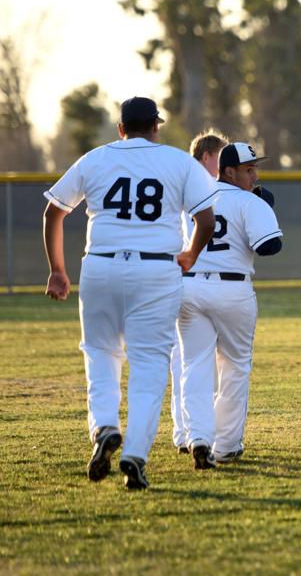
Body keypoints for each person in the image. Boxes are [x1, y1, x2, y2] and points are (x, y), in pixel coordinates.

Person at [42, 96, 217, 490]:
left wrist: (57, 270)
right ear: (156, 126)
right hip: (156, 267)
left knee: (101, 353)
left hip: (101, 264)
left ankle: (104, 425)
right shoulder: (178, 161)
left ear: (121, 128)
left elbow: (54, 211)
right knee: (150, 366)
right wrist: (190, 252)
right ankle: (135, 454)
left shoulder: (97, 158)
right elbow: (205, 219)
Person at [178, 142, 283, 469]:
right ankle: (225, 446)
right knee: (235, 366)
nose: (255, 174)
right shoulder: (248, 201)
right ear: (228, 171)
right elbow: (270, 247)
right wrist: (262, 208)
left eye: (255, 168)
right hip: (232, 289)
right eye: (248, 169)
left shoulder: (193, 194)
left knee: (195, 364)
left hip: (190, 286)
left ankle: (198, 437)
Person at [170, 130, 228, 455]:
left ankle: (189, 433)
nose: (223, 163)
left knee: (189, 361)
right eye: (220, 156)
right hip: (191, 276)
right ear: (206, 156)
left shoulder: (189, 182)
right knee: (189, 360)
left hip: (189, 279)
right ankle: (190, 434)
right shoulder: (196, 182)